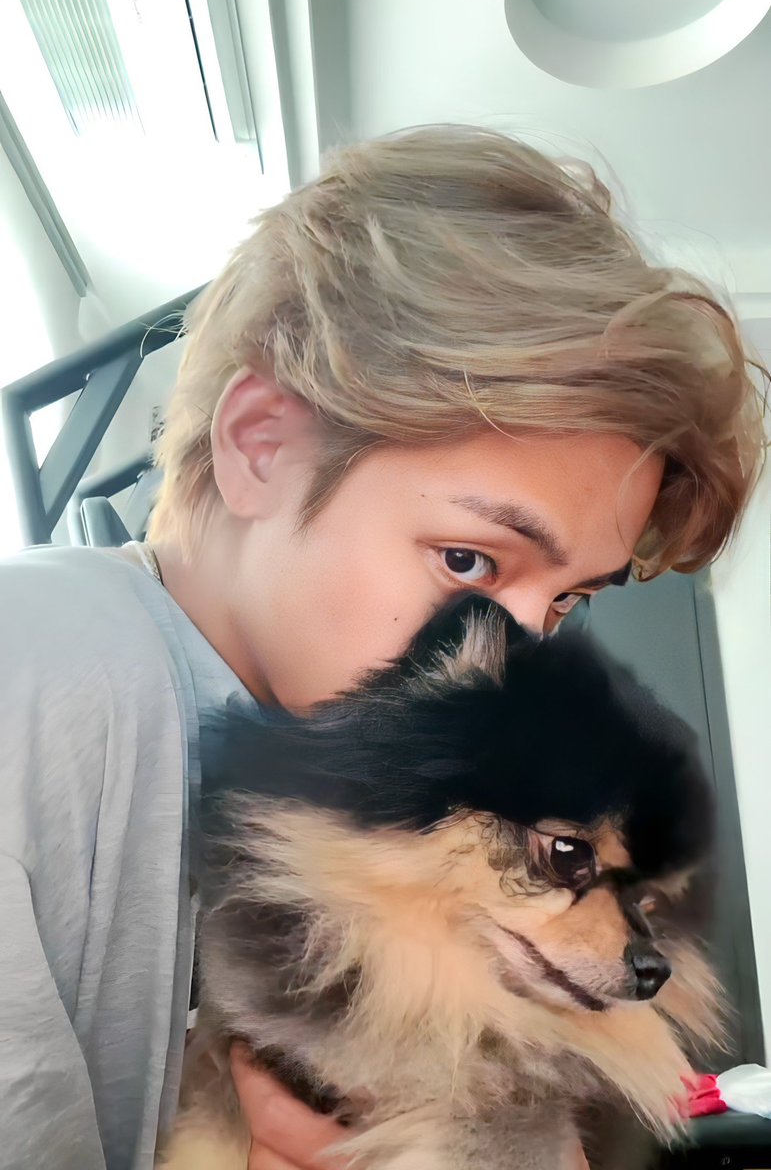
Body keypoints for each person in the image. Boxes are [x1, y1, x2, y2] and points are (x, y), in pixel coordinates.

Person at [0, 125, 764, 1170]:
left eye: (567, 601)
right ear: (261, 445)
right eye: (469, 562)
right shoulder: (39, 667)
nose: (526, 660)